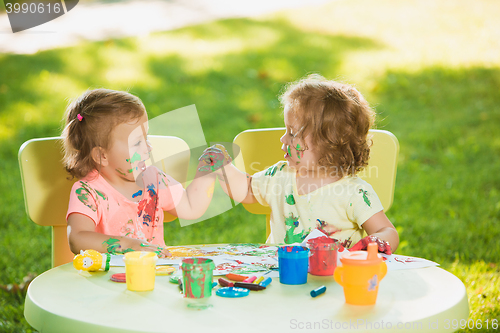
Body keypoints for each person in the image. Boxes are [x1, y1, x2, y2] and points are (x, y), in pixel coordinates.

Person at [214, 74, 399, 253]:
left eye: (292, 133)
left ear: (329, 142)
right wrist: (223, 167)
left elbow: (387, 231)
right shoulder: (280, 175)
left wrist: (375, 243)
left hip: (335, 278)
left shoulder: (354, 193)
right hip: (281, 274)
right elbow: (246, 190)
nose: (283, 138)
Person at [62, 89, 219, 257]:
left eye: (147, 137)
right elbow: (77, 239)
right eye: (137, 142)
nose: (148, 147)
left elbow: (190, 206)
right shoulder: (88, 192)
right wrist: (126, 244)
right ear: (102, 156)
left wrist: (207, 171)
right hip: (106, 279)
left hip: (154, 274)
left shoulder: (153, 180)